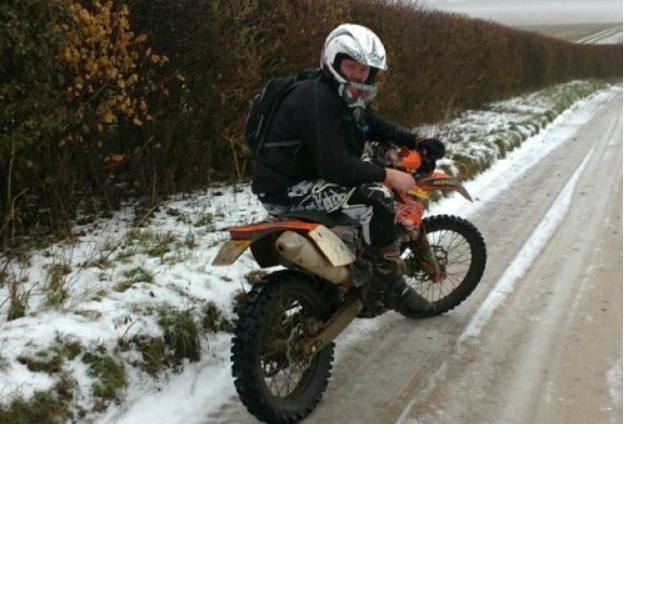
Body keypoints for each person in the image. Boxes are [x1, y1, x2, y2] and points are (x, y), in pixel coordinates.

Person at [252, 23, 446, 317]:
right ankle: (390, 286)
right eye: (351, 66)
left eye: (364, 69)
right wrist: (388, 174)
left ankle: (350, 264)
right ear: (334, 61)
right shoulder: (316, 98)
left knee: (368, 188)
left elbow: (373, 124)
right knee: (377, 198)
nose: (358, 74)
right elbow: (336, 167)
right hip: (287, 189)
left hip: (300, 178)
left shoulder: (338, 93)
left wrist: (417, 140)